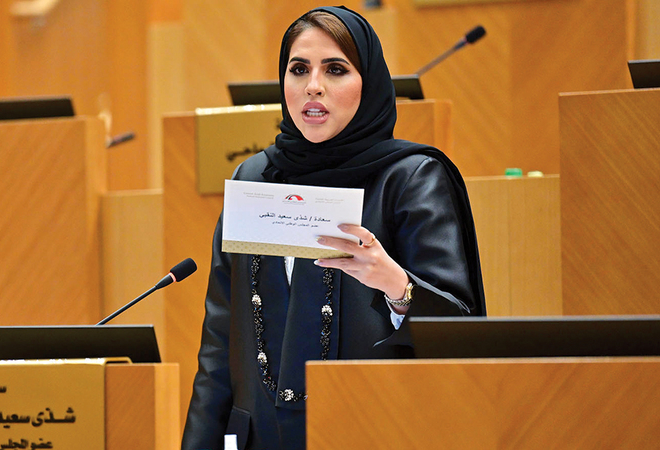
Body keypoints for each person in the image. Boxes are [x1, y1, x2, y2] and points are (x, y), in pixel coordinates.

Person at [182, 6, 485, 450]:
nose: (313, 86)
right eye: (299, 69)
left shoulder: (409, 178)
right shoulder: (256, 179)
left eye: (335, 69)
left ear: (370, 82)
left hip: (370, 431)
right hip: (260, 437)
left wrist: (396, 285)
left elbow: (460, 327)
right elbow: (220, 341)